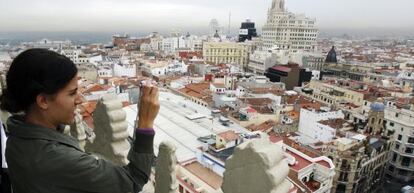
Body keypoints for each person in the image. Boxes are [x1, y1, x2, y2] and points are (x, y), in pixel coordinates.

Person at [0, 48, 160, 193]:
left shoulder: (16, 138)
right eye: (72, 93)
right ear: (43, 101)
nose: (80, 99)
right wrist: (144, 122)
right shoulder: (58, 160)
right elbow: (133, 180)